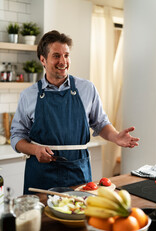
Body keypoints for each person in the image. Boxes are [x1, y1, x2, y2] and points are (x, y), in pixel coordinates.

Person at [10, 30, 139, 194]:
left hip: (77, 171)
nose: (63, 61)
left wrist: (115, 136)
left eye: (66, 55)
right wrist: (35, 150)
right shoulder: (28, 95)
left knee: (77, 215)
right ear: (43, 59)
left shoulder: (86, 88)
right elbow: (16, 136)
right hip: (40, 174)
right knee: (42, 218)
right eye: (56, 56)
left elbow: (100, 123)